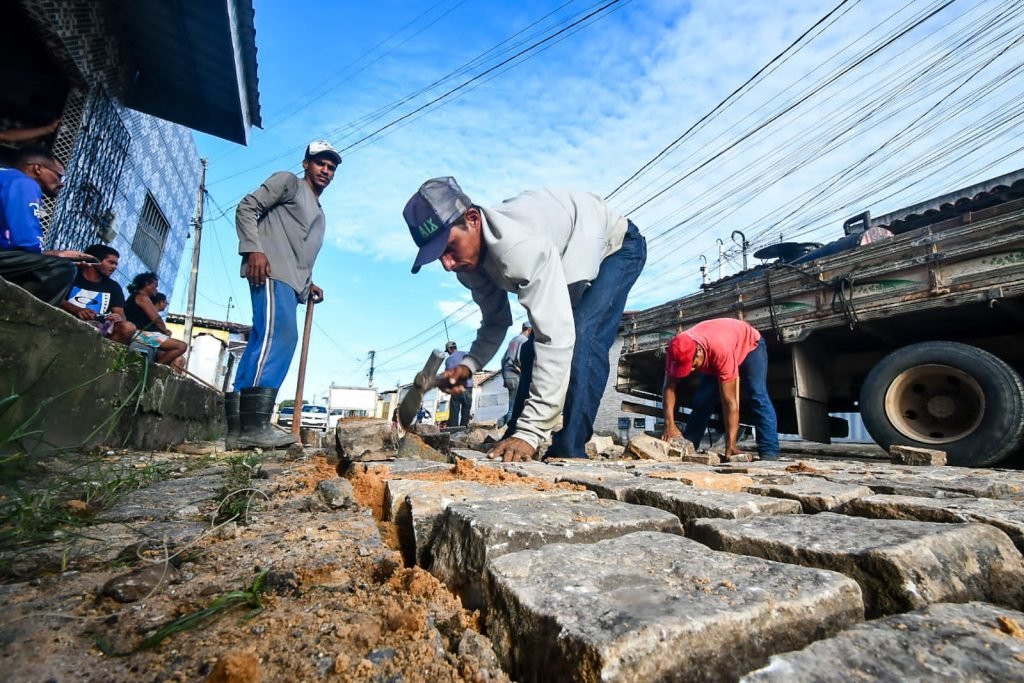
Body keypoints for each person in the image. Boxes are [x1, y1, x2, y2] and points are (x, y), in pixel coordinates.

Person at [403, 177, 646, 462]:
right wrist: (469, 366)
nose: (447, 264)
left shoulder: (519, 249)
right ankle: (514, 435)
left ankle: (570, 449)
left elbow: (556, 336)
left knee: (582, 337)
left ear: (472, 219)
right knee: (530, 349)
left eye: (448, 248)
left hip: (617, 247)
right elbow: (495, 322)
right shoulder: (467, 265)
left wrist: (531, 432)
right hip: (572, 251)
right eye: (437, 256)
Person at [228, 140, 340, 449]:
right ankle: (255, 425)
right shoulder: (288, 183)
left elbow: (298, 249)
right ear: (306, 163)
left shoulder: (319, 211)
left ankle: (238, 429)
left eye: (331, 167)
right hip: (270, 272)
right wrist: (253, 250)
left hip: (291, 283)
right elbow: (247, 207)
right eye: (321, 163)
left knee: (260, 343)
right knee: (278, 338)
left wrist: (309, 283)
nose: (326, 170)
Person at [661, 318, 780, 460]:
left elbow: (730, 402)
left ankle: (769, 452)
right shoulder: (675, 350)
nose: (691, 370)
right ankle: (689, 445)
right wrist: (669, 425)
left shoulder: (720, 350)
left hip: (749, 346)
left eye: (692, 365)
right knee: (703, 399)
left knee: (757, 395)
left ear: (698, 351)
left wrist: (731, 446)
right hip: (717, 348)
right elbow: (669, 387)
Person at [0, 145, 92, 304]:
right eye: (59, 176)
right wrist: (56, 256)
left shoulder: (6, 176)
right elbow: (25, 240)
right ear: (37, 168)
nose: (62, 184)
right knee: (60, 268)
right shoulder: (23, 182)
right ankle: (17, 322)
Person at [60, 244, 135, 344]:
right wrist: (77, 310)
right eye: (111, 262)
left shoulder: (113, 287)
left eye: (116, 264)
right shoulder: (71, 274)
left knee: (128, 327)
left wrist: (117, 318)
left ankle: (104, 355)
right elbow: (53, 297)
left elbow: (121, 315)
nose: (114, 267)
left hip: (98, 329)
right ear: (95, 261)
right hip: (66, 319)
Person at [124, 272, 188, 369]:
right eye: (155, 286)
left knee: (177, 357)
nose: (156, 290)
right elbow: (156, 319)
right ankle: (153, 369)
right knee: (181, 346)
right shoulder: (142, 297)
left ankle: (156, 366)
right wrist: (165, 331)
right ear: (147, 284)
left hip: (145, 334)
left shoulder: (136, 297)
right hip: (141, 334)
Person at [497, 322, 532, 427]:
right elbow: (520, 359)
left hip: (508, 374)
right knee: (516, 405)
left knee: (512, 403)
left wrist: (504, 375)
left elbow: (503, 359)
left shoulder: (514, 340)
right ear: (529, 330)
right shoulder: (524, 341)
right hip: (515, 374)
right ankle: (509, 428)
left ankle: (501, 423)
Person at [443, 340, 473, 428]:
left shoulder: (448, 360)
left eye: (447, 351)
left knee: (454, 409)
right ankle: (464, 429)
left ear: (449, 349)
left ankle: (453, 429)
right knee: (466, 409)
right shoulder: (467, 354)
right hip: (469, 387)